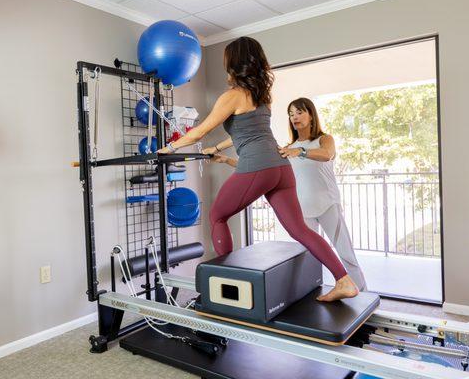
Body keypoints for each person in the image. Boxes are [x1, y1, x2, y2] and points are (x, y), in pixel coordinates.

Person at [157, 36, 358, 302]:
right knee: (300, 229)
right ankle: (345, 281)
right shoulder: (262, 96)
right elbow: (248, 133)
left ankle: (222, 287)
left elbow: (199, 131)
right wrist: (217, 149)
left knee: (217, 216)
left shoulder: (232, 96)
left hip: (258, 167)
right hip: (280, 168)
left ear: (234, 62)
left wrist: (168, 149)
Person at [277, 98, 367, 291]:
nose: (294, 117)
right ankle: (310, 295)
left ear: (311, 115)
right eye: (291, 114)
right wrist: (226, 160)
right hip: (303, 210)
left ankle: (363, 297)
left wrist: (299, 152)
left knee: (345, 253)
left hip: (328, 205)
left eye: (299, 112)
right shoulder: (288, 148)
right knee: (308, 256)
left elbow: (326, 154)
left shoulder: (324, 140)